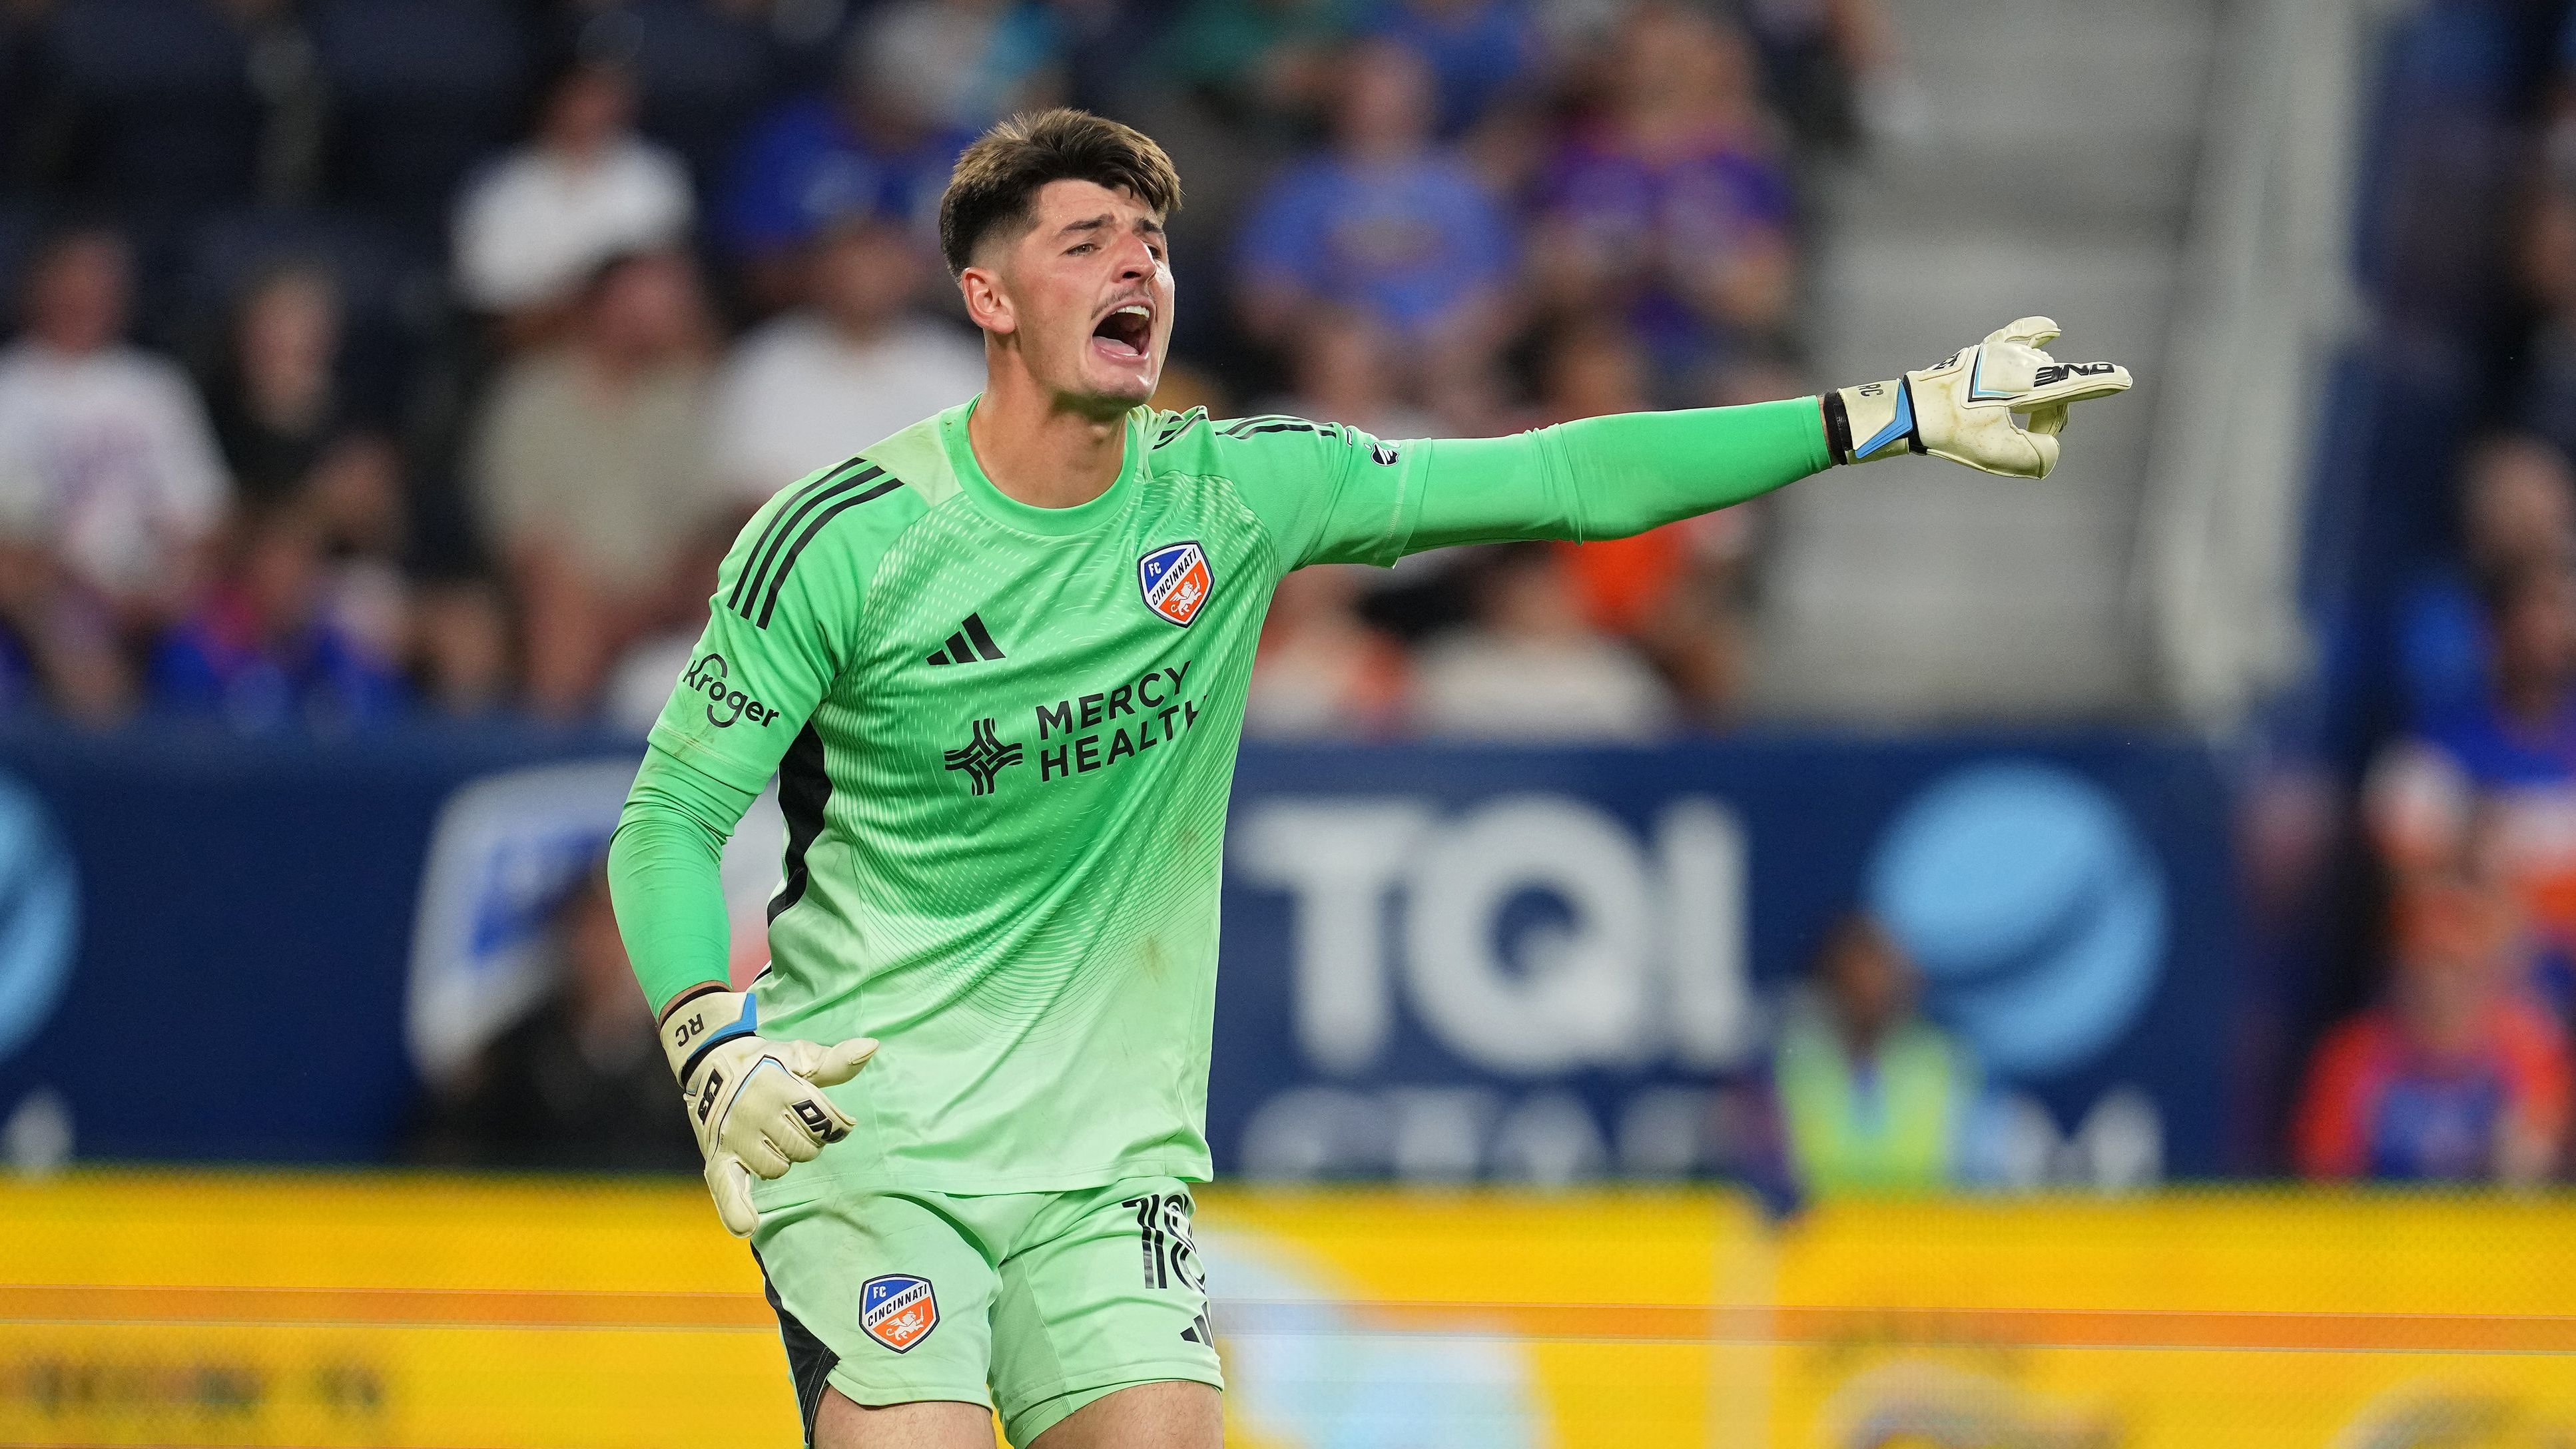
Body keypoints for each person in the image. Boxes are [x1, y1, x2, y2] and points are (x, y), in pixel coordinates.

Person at [604, 109, 2128, 1448]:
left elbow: (1562, 476)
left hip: (1101, 1166)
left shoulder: (1234, 489)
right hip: (870, 1137)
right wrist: (707, 1039)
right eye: (1086, 243)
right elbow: (669, 817)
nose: (1137, 266)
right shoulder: (847, 537)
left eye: (1152, 243)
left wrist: (1886, 414)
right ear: (989, 297)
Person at [468, 248, 722, 717]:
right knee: (558, 592)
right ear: (598, 307)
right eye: (638, 306)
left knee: (733, 575)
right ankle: (556, 744)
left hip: (664, 592)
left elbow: (700, 521)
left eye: (665, 308)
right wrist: (598, 601)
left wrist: (652, 599)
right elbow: (520, 530)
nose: (651, 321)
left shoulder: (685, 398)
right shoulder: (532, 396)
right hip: (560, 590)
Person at [0, 228, 229, 715]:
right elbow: (13, 540)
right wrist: (83, 593)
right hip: (48, 596)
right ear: (40, 287)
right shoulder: (10, 388)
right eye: (74, 282)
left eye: (101, 284)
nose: (87, 298)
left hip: (154, 594)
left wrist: (165, 589)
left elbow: (204, 517)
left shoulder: (157, 387)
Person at [411, 867, 701, 1171]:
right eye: (591, 927)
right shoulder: (515, 1060)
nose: (604, 947)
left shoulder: (678, 1061)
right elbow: (451, 1156)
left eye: (620, 929)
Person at [2294, 880, 2571, 1183]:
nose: (2438, 986)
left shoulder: (2527, 1049)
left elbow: (2544, 1166)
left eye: (2454, 967)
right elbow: (2323, 1178)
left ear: (2485, 973)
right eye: (2424, 966)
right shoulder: (2352, 1057)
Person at [711, 216, 986, 502]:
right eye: (848, 264)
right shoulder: (764, 365)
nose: (862, 279)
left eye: (876, 262)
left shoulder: (957, 365)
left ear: (909, 269)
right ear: (815, 271)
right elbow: (748, 493)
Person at [451, 63, 695, 333]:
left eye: (607, 93)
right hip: (539, 340)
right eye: (585, 94)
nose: (596, 109)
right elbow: (490, 310)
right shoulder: (499, 186)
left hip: (641, 338)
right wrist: (583, 308)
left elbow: (670, 284)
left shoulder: (656, 173)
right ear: (554, 99)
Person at [1770, 912, 1983, 1196]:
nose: (1869, 991)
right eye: (1854, 978)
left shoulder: (1942, 1061)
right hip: (1820, 1222)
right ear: (1829, 985)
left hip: (1926, 1221)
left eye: (1880, 976)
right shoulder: (1793, 1064)